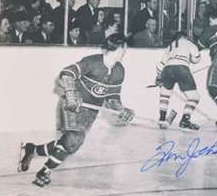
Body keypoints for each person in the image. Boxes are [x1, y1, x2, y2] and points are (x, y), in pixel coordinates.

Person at [18, 34, 134, 187]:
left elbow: (112, 98)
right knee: (75, 139)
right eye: (125, 49)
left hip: (90, 111)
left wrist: (121, 109)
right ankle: (45, 171)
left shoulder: (119, 70)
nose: (125, 52)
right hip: (73, 104)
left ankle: (32, 149)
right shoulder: (92, 62)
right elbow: (67, 73)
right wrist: (71, 94)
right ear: (122, 47)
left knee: (68, 143)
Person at [154, 31, 204, 130]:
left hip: (168, 68)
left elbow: (160, 66)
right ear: (184, 37)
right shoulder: (188, 43)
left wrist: (159, 78)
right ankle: (185, 120)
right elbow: (197, 58)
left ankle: (162, 117)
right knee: (194, 97)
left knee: (165, 93)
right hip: (182, 68)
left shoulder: (170, 46)